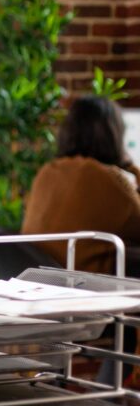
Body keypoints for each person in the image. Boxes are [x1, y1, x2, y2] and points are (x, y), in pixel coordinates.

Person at [22, 95, 140, 275]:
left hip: (40, 281)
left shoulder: (48, 171)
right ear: (115, 134)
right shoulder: (109, 180)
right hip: (84, 286)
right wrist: (129, 164)